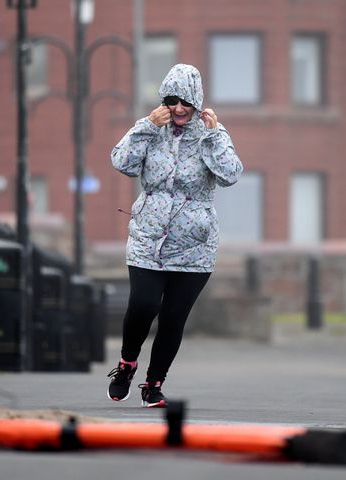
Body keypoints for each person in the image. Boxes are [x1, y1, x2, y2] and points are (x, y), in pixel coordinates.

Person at [107, 64, 243, 407]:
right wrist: (146, 127)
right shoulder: (151, 129)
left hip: (194, 247)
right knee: (144, 305)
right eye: (171, 100)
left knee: (172, 318)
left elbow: (230, 175)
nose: (179, 108)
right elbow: (121, 163)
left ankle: (153, 384)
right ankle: (126, 365)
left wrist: (213, 137)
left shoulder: (212, 133)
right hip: (147, 239)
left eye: (185, 101)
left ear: (197, 101)